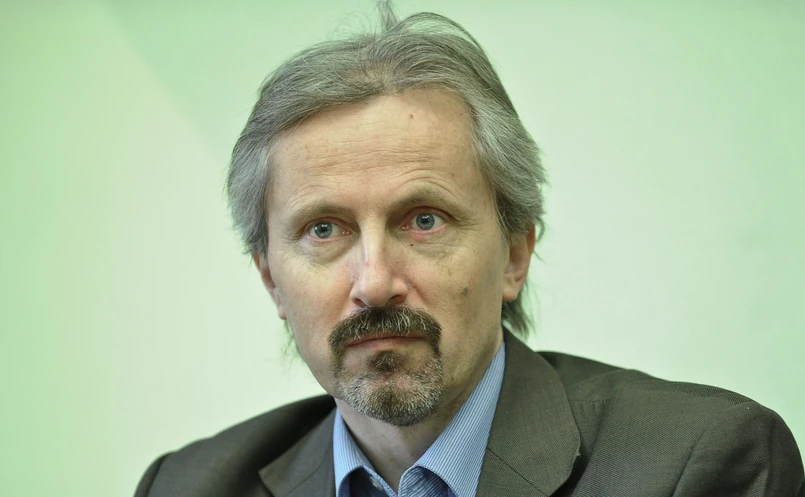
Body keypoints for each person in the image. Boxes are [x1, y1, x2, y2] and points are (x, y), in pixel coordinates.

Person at [134, 2, 804, 496]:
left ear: (515, 254)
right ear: (271, 281)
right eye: (324, 230)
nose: (374, 281)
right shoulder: (188, 486)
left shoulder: (695, 463)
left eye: (423, 220)